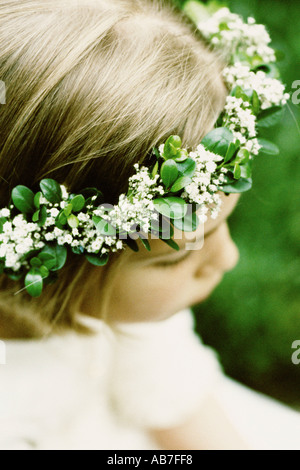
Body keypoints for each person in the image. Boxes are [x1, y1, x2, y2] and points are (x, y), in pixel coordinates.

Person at [0, 0, 299, 450]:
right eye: (175, 257)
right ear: (53, 266)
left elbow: (193, 418)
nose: (229, 258)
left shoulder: (134, 323)